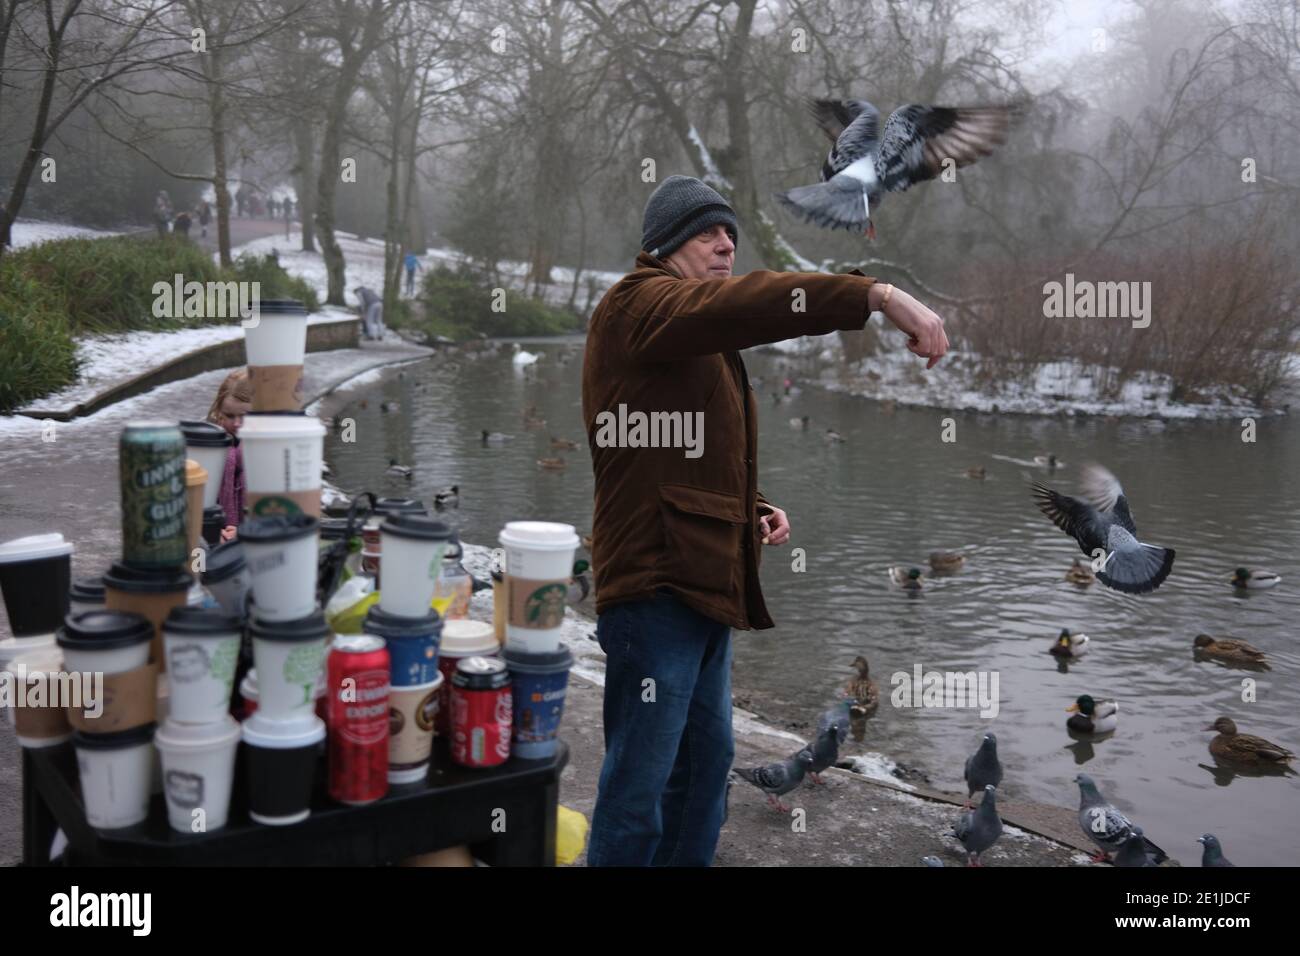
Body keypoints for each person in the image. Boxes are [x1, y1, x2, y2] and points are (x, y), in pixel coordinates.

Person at [581, 175, 949, 867]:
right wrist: (872, 293)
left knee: (702, 772)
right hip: (654, 589)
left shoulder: (690, 331)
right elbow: (746, 303)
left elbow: (670, 449)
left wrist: (749, 510)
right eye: (706, 231)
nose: (726, 243)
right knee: (641, 783)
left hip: (705, 582)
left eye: (731, 234)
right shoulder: (638, 304)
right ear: (663, 244)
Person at [207, 369, 252, 541]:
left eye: (244, 417)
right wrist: (211, 531)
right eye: (229, 416)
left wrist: (242, 532)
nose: (237, 424)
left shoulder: (270, 453)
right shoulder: (206, 448)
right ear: (219, 413)